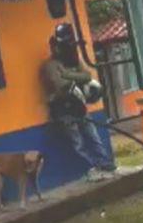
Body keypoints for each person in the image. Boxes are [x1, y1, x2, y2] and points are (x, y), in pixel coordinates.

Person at [43, 23, 117, 181]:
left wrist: (68, 75)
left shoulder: (73, 61)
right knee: (78, 143)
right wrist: (73, 78)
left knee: (94, 137)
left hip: (79, 106)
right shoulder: (50, 66)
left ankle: (106, 165)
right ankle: (91, 168)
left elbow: (87, 76)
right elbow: (61, 85)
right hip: (63, 110)